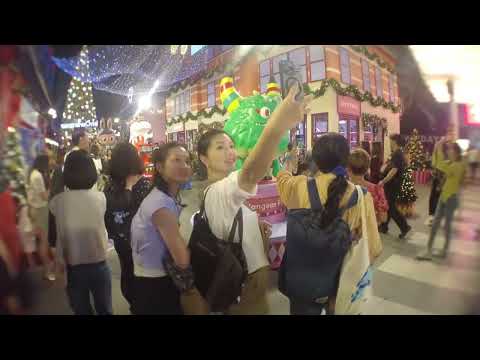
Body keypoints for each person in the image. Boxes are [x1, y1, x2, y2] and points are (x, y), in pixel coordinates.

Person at [195, 85, 312, 314]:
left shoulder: (227, 190)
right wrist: (278, 124)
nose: (229, 151)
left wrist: (258, 234)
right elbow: (250, 173)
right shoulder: (218, 190)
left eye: (230, 146)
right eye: (220, 147)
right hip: (241, 292)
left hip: (252, 285)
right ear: (203, 159)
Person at [277, 133, 382, 314]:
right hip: (338, 290)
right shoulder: (361, 196)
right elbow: (373, 248)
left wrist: (289, 162)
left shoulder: (298, 185)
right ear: (346, 160)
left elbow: (282, 178)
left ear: (315, 160)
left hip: (301, 287)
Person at [130, 143, 192, 315]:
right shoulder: (161, 205)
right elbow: (182, 259)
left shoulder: (163, 196)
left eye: (187, 161)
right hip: (156, 284)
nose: (184, 166)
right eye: (176, 160)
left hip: (153, 278)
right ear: (159, 167)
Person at [49, 150, 112, 315]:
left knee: (81, 309)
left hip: (73, 268)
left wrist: (57, 267)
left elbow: (53, 238)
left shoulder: (57, 202)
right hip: (99, 264)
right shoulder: (101, 199)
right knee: (105, 309)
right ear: (92, 172)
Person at [104, 142, 151, 312]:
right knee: (145, 277)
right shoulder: (144, 185)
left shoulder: (109, 187)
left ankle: (134, 305)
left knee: (128, 273)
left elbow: (108, 219)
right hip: (145, 244)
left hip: (122, 242)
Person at [416, 141, 466, 260]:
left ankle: (444, 251)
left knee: (447, 226)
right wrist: (437, 150)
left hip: (451, 199)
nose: (448, 151)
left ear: (456, 152)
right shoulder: (452, 163)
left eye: (450, 149)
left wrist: (437, 149)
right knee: (436, 225)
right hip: (444, 197)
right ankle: (429, 249)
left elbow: (439, 165)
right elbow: (437, 164)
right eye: (448, 149)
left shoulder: (457, 165)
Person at [378, 134, 412, 239]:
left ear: (395, 141)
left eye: (391, 140)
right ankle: (384, 226)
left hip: (393, 184)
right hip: (392, 184)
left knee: (391, 208)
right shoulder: (396, 153)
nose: (390, 142)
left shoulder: (397, 154)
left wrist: (383, 181)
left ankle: (404, 227)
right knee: (388, 205)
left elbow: (394, 170)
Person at [27, 154, 54, 280]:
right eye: (49, 161)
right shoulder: (38, 176)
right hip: (40, 209)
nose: (50, 163)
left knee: (41, 241)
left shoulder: (32, 174)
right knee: (43, 241)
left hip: (35, 209)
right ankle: (47, 271)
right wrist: (50, 191)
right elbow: (44, 196)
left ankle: (48, 266)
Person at [348, 148, 389, 227]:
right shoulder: (376, 190)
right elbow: (384, 218)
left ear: (348, 168)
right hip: (369, 233)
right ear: (367, 169)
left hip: (345, 235)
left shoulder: (340, 189)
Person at [425, 142, 448, 226]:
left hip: (442, 175)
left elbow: (434, 162)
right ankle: (434, 217)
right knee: (436, 197)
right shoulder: (440, 147)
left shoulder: (441, 147)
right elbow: (434, 162)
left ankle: (434, 217)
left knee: (436, 197)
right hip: (440, 175)